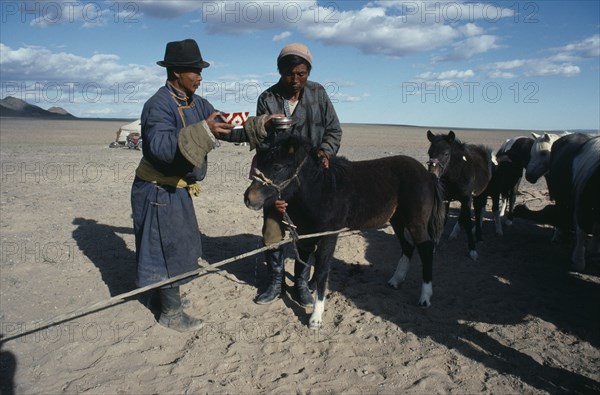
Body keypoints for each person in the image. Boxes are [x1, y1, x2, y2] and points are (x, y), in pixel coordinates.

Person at [132, 39, 275, 332]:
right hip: (158, 189)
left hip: (177, 189)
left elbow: (225, 124)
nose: (200, 76)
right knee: (166, 248)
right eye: (194, 71)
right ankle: (169, 312)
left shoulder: (197, 103)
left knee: (181, 245)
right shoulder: (158, 105)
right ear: (175, 73)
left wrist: (260, 125)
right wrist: (202, 129)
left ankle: (162, 299)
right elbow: (159, 147)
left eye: (199, 70)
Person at [253, 43, 343, 307]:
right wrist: (275, 193)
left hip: (311, 182)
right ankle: (276, 282)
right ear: (280, 71)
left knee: (309, 232)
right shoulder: (267, 99)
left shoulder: (318, 94)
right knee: (272, 228)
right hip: (278, 178)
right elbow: (263, 143)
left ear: (308, 72)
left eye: (301, 74)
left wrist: (326, 151)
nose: (295, 80)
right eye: (289, 73)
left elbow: (334, 130)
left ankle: (302, 282)